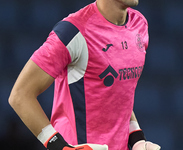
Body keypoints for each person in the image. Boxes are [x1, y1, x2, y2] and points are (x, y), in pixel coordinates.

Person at [9, 0, 161, 150]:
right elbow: (20, 95)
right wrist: (61, 147)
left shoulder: (139, 25)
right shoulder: (73, 31)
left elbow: (118, 95)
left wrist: (137, 139)